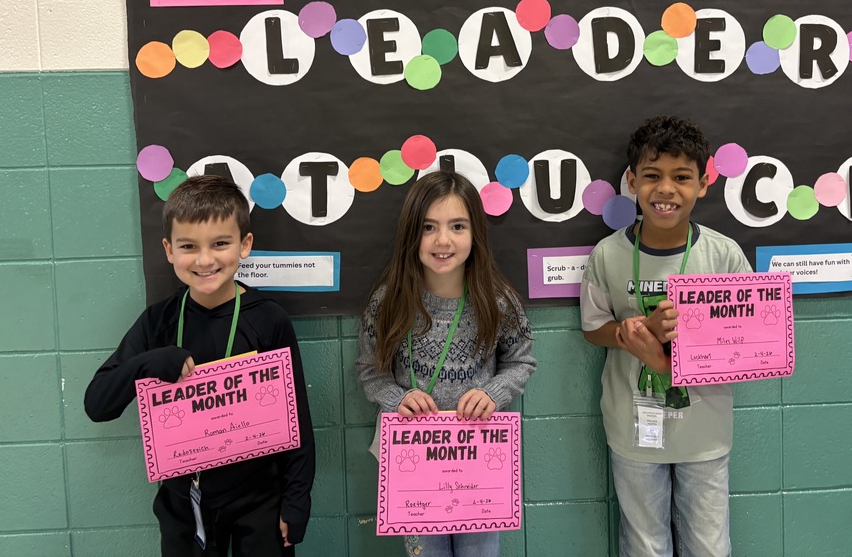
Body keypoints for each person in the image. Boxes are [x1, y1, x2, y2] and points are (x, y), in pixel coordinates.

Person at [84, 175, 315, 556]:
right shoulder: (158, 321)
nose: (205, 260)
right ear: (168, 249)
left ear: (245, 245)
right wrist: (147, 363)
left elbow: (298, 423)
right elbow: (97, 405)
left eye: (220, 244)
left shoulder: (268, 320)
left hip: (258, 503)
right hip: (184, 504)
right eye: (188, 246)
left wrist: (296, 500)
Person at [580, 116, 752, 557]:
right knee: (644, 546)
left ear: (704, 183)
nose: (666, 190)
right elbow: (593, 326)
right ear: (632, 181)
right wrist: (626, 333)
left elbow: (746, 345)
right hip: (634, 430)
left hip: (705, 430)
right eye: (652, 176)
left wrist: (670, 355)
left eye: (682, 177)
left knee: (710, 547)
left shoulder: (724, 254)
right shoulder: (608, 255)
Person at [356, 171, 536, 557]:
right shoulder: (388, 301)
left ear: (475, 234)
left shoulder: (498, 299)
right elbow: (371, 371)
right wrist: (395, 399)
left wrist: (493, 392)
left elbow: (522, 361)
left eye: (457, 226)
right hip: (416, 461)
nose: (443, 240)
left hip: (478, 461)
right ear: (412, 235)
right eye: (429, 227)